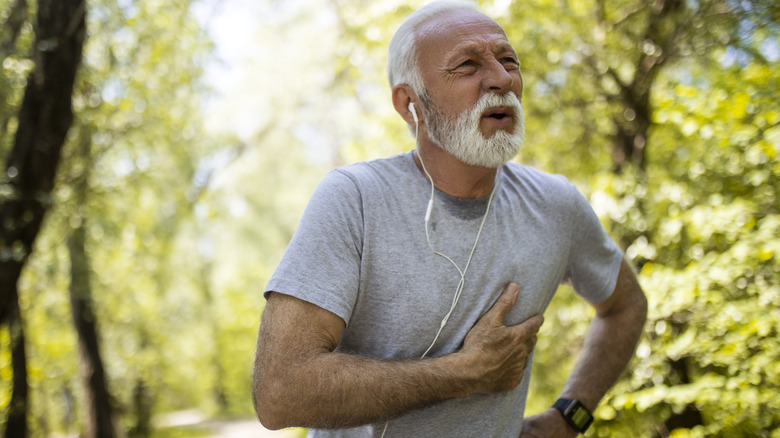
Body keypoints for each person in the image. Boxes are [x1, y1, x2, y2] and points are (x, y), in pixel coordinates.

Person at [252, 1, 648, 437]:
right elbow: (279, 391)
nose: (501, 79)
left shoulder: (556, 204)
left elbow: (626, 306)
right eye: (466, 65)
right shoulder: (355, 199)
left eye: (508, 60)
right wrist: (465, 373)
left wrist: (569, 416)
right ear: (410, 105)